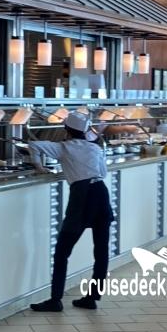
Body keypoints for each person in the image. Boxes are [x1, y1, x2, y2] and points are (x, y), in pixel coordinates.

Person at [27, 113, 112, 311]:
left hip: (81, 197)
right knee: (101, 251)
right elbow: (103, 173)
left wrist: (39, 166)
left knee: (62, 251)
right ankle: (92, 298)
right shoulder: (95, 148)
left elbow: (33, 145)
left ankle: (55, 300)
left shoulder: (63, 148)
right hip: (101, 193)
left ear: (66, 130)